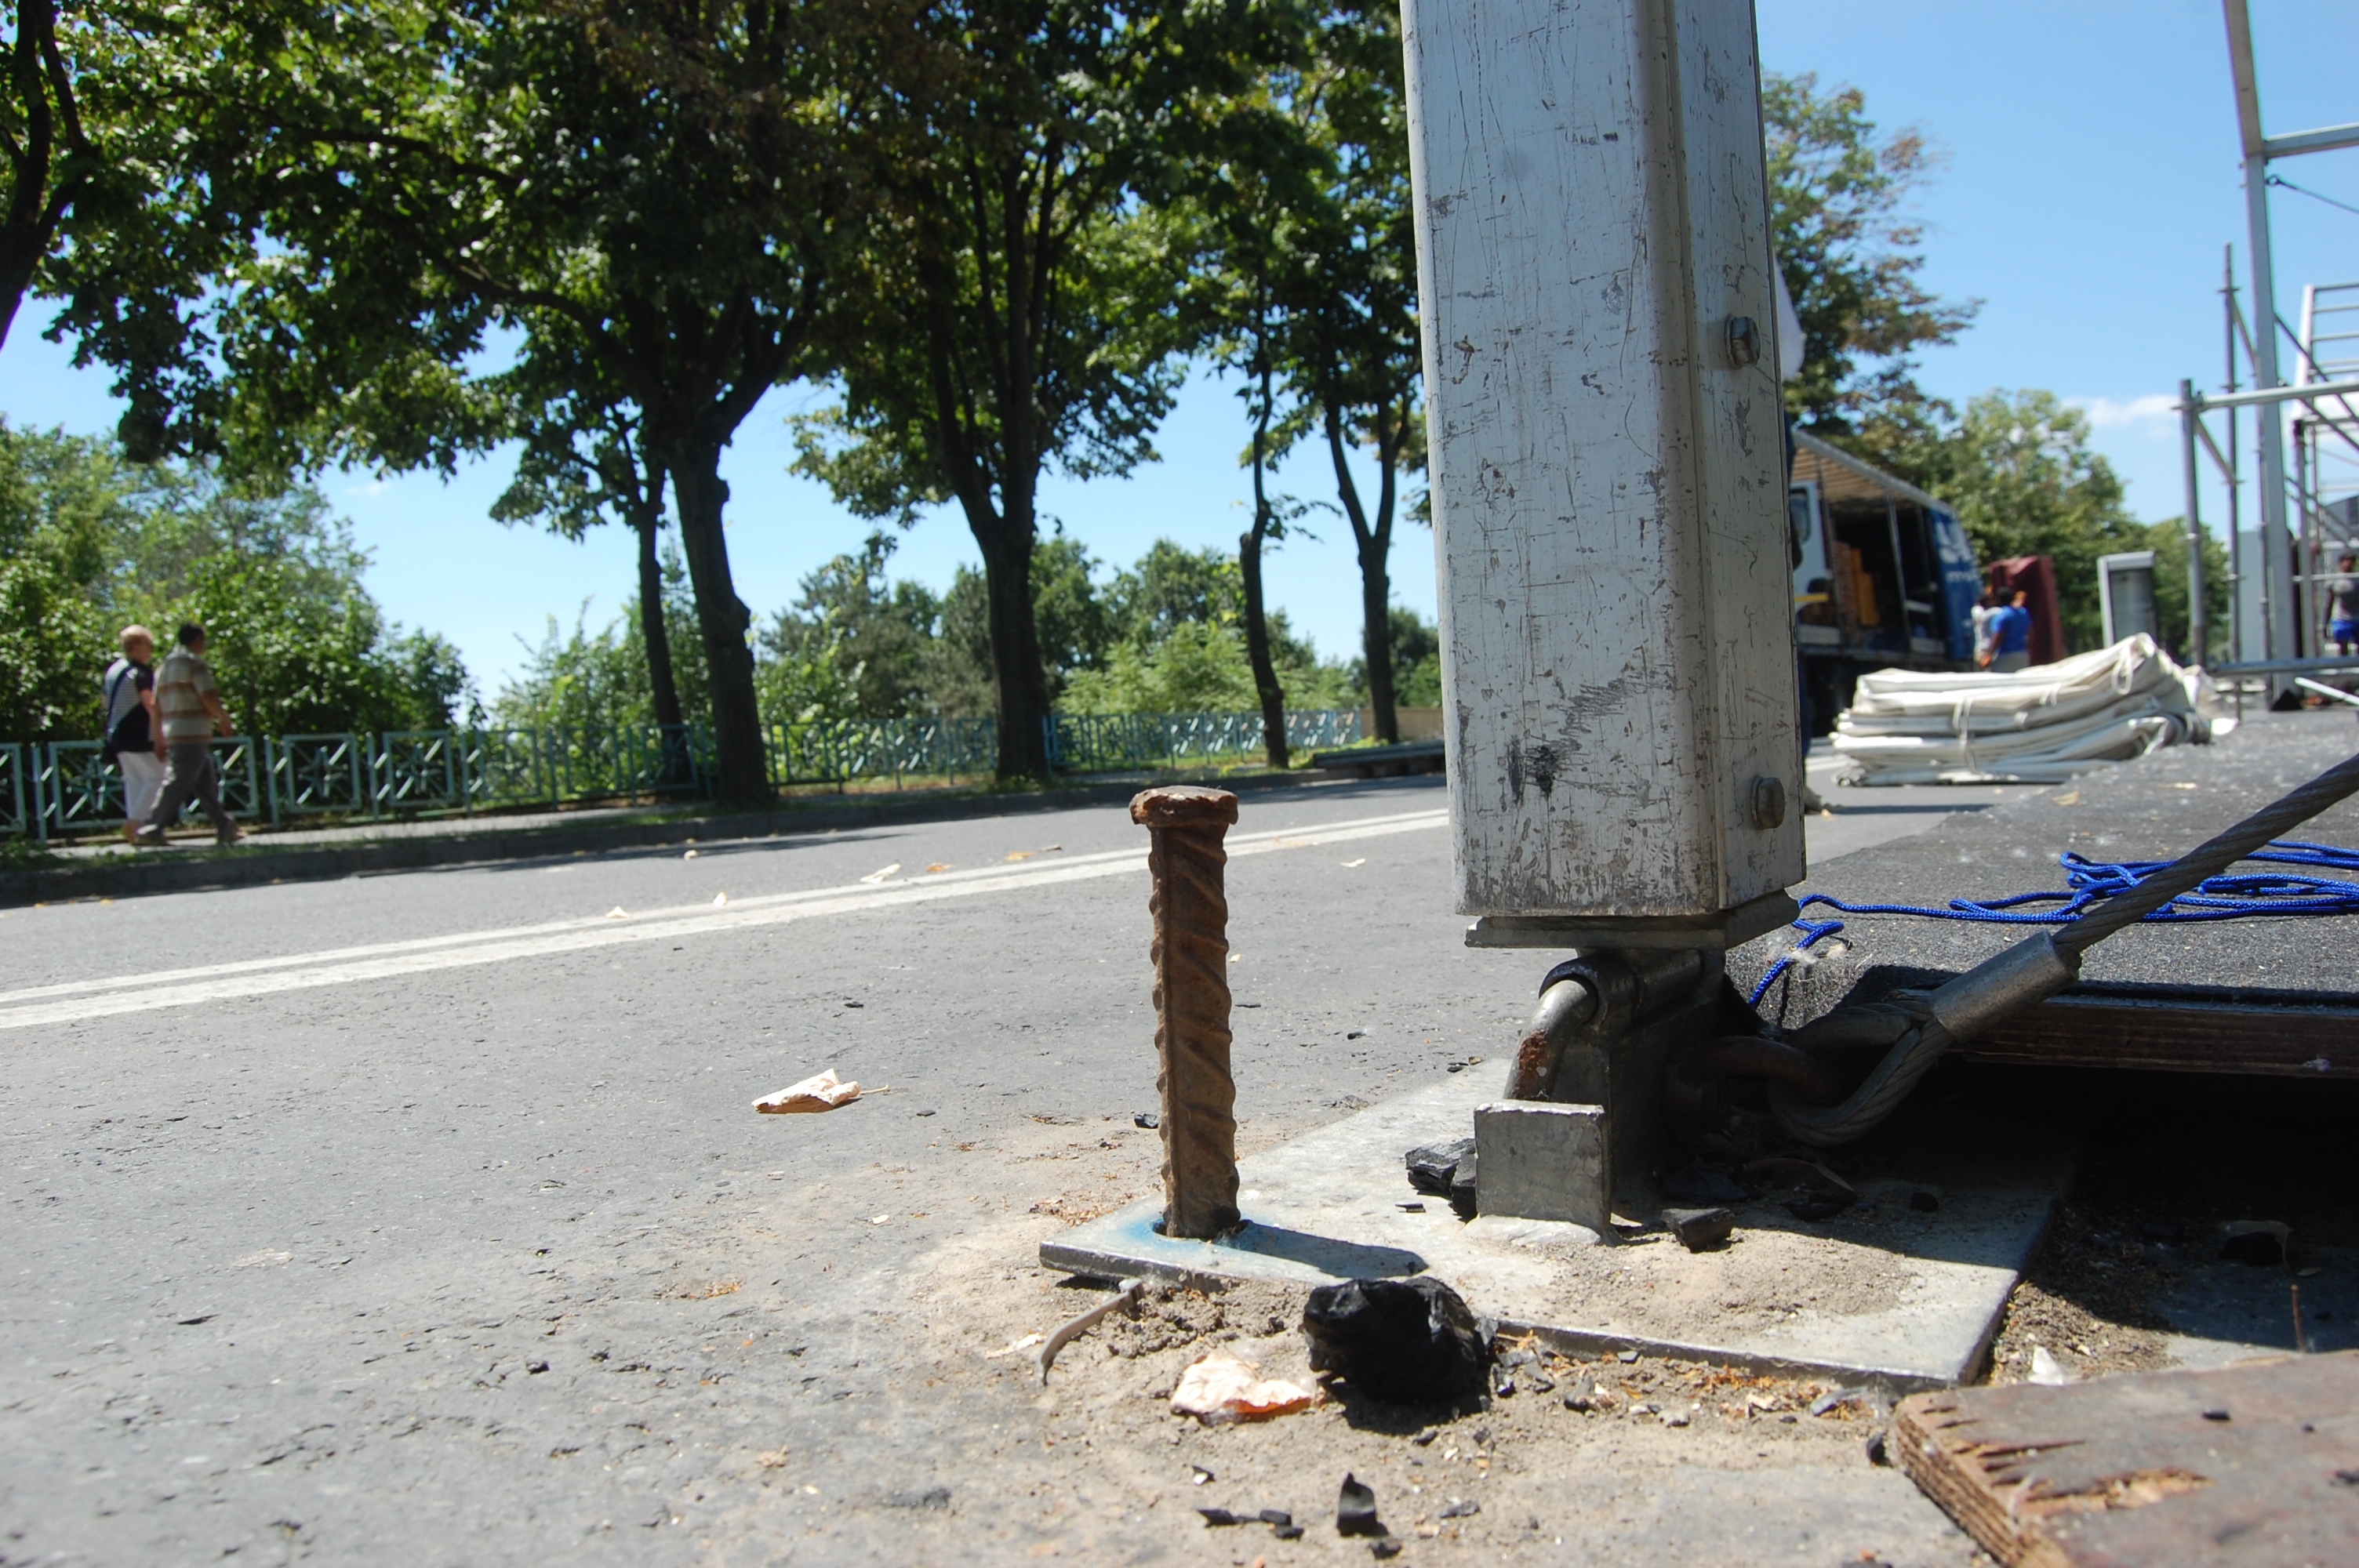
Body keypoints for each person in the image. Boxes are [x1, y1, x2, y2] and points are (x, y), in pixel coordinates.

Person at [135, 622, 243, 847]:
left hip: (174, 730)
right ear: (197, 641)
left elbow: (156, 707)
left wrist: (159, 738)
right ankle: (152, 828)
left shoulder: (163, 667)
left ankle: (225, 827)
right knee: (178, 780)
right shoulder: (194, 664)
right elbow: (208, 696)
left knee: (204, 782)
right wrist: (223, 718)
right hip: (192, 730)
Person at [101, 626, 164, 844]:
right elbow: (151, 705)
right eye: (149, 645)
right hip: (138, 735)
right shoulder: (141, 673)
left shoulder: (114, 670)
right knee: (159, 777)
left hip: (116, 734)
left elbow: (105, 703)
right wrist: (161, 734)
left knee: (135, 782)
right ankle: (136, 823)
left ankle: (138, 833)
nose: (151, 651)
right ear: (137, 646)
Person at [1986, 589, 2034, 673]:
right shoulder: (2023, 613)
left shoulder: (2002, 615)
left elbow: (1998, 637)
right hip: (2022, 653)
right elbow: (2031, 633)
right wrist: (2029, 650)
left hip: (2006, 654)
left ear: (1998, 600)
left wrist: (1989, 655)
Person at [2329, 554, 2359, 657]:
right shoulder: (2335, 580)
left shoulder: (2357, 579)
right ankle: (2343, 669)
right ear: (2340, 563)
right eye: (2345, 561)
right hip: (2341, 618)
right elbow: (2330, 601)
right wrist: (2325, 623)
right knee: (2342, 646)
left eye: (2350, 561)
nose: (2347, 564)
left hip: (2357, 617)